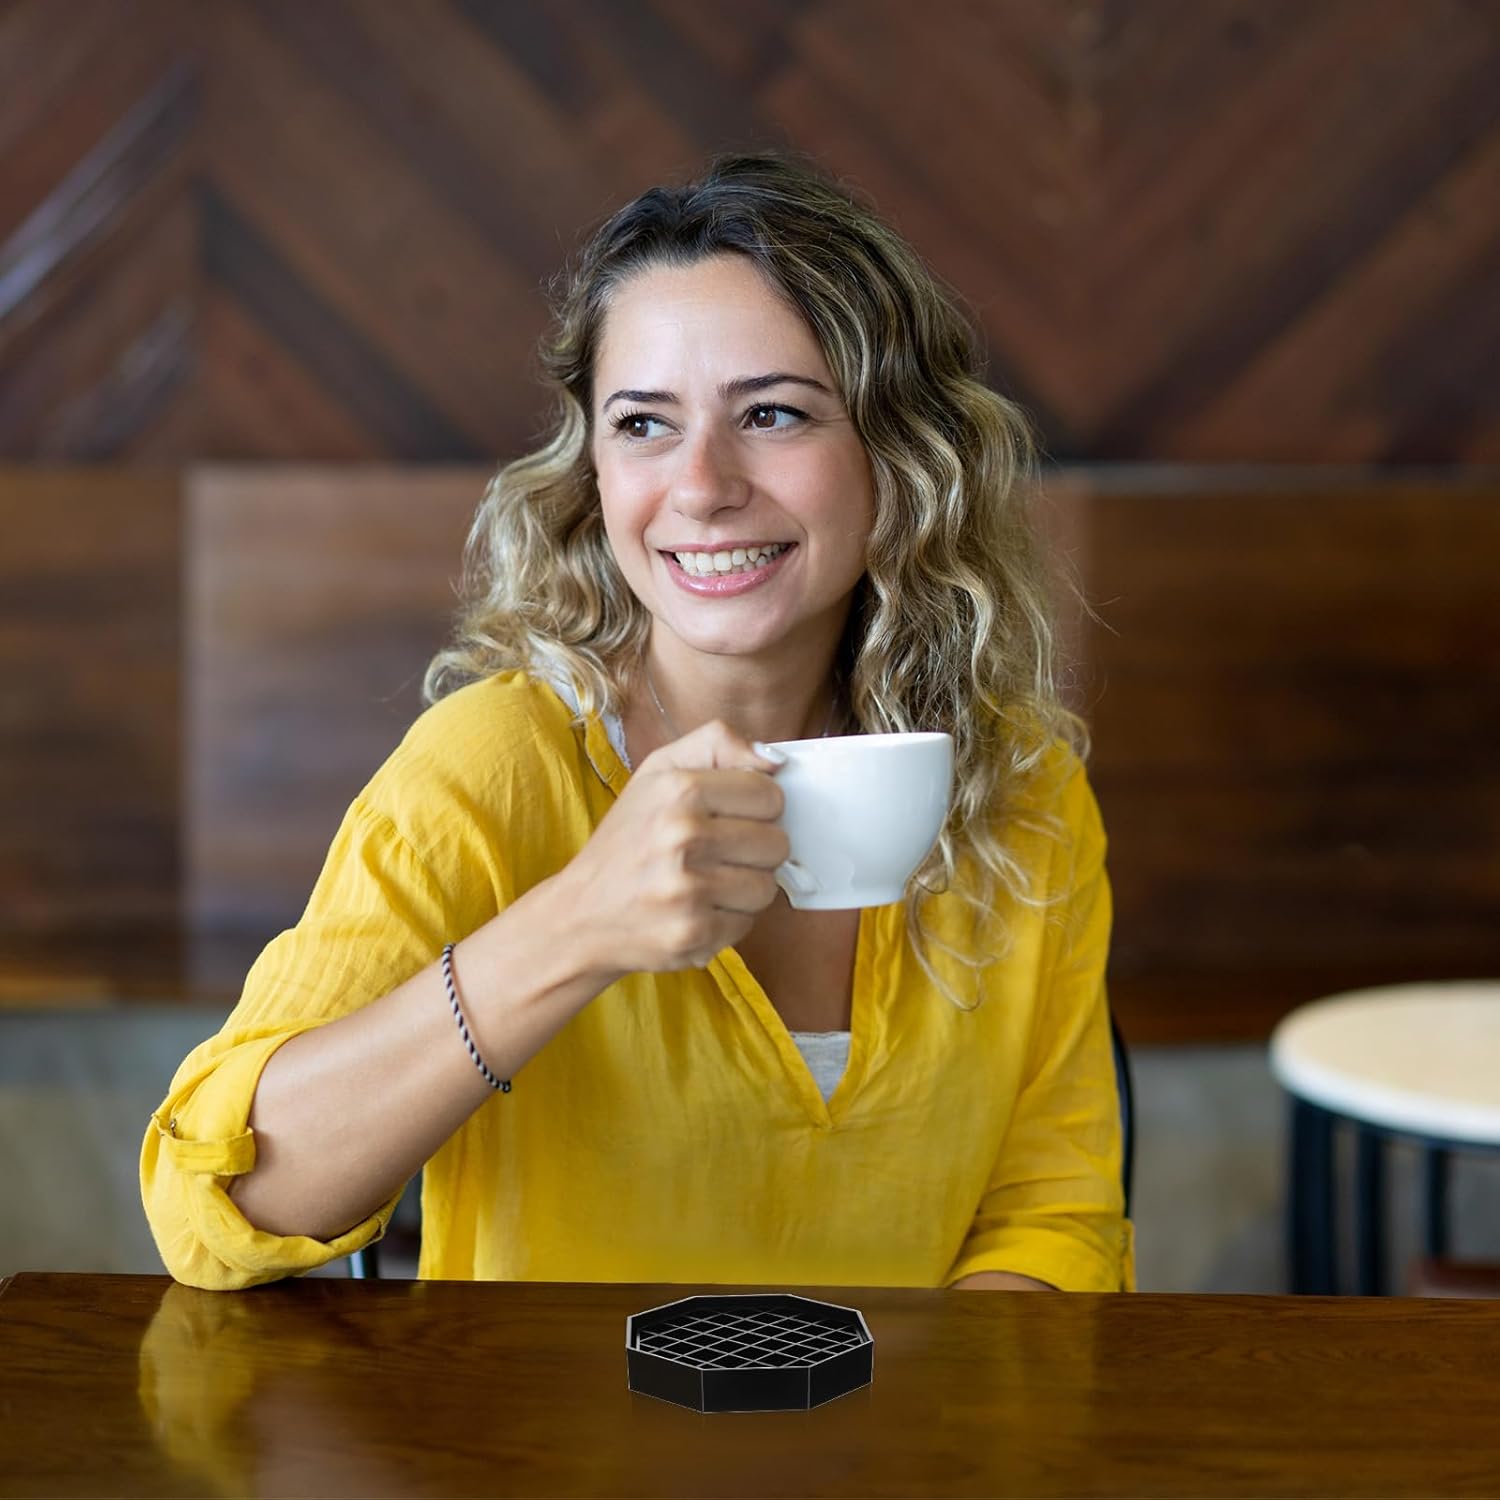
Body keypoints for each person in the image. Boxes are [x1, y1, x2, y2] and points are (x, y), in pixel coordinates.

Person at [141, 153, 1133, 1294]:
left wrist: (912, 1409)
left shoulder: (1022, 788)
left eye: (772, 413)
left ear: (901, 451)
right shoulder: (489, 768)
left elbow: (1052, 1220)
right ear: (594, 469)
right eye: (645, 425)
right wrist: (578, 925)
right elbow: (210, 1213)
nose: (701, 486)